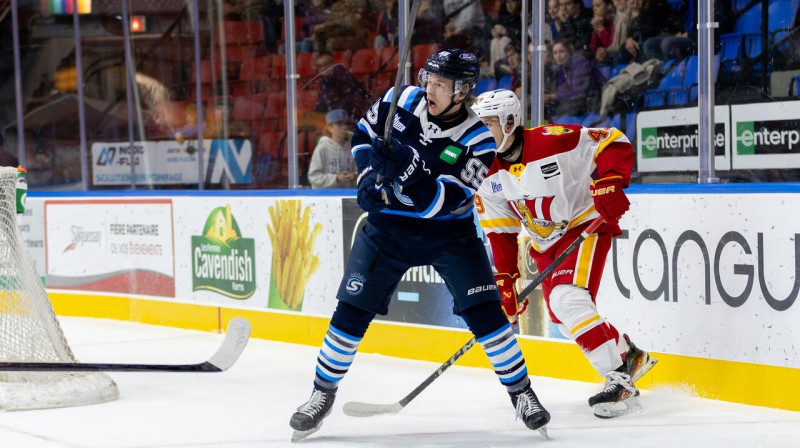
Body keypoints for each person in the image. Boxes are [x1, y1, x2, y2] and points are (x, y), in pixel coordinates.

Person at [289, 49, 551, 441]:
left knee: (486, 315)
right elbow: (363, 135)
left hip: (448, 234)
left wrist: (410, 172)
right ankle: (321, 394)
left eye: (442, 85)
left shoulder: (478, 140)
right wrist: (366, 177)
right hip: (386, 228)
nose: (430, 88)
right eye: (429, 79)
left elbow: (442, 204)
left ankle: (522, 394)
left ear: (462, 91)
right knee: (351, 311)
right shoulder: (403, 99)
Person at [471, 88, 658, 418]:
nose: (479, 132)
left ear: (510, 121)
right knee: (563, 316)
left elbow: (610, 140)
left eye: (487, 124)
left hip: (584, 224)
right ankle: (629, 357)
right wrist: (505, 281)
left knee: (567, 299)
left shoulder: (552, 140)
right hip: (545, 244)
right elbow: (500, 230)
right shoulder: (483, 171)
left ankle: (620, 380)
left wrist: (611, 180)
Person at [544, 39, 606, 118]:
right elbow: (563, 88)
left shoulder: (580, 63)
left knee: (560, 111)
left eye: (561, 51)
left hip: (595, 100)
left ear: (569, 53)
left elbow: (579, 91)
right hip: (578, 101)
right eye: (555, 53)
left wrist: (554, 96)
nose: (558, 55)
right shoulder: (561, 68)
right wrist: (550, 96)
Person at [314, 51, 372, 120]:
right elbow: (321, 104)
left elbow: (351, 104)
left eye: (326, 64)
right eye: (320, 66)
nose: (323, 68)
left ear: (333, 64)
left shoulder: (344, 78)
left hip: (348, 120)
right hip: (333, 120)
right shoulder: (324, 82)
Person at [308, 109, 357, 189]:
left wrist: (355, 176)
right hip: (327, 197)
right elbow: (314, 177)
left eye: (346, 124)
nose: (344, 127)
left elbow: (362, 173)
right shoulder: (322, 148)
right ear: (330, 128)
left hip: (349, 195)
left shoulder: (353, 148)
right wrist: (336, 178)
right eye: (339, 124)